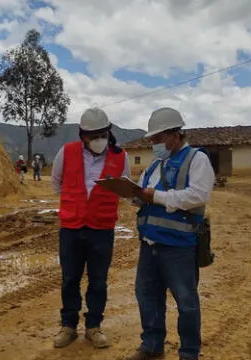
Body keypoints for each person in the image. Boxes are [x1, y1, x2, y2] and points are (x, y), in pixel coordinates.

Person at [125, 107, 215, 360]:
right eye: (152, 140)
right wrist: (134, 196)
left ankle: (189, 353)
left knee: (186, 302)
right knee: (147, 296)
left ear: (175, 134)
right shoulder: (154, 166)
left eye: (158, 139)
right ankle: (152, 345)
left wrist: (157, 196)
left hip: (179, 247)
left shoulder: (197, 159)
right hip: (149, 243)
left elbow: (198, 195)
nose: (154, 145)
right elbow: (143, 193)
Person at [51, 107, 131, 349]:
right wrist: (76, 204)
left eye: (101, 134)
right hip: (72, 228)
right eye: (92, 135)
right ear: (82, 135)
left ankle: (93, 327)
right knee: (70, 279)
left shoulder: (121, 157)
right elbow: (57, 183)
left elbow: (124, 187)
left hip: (102, 229)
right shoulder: (66, 153)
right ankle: (69, 326)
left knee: (98, 281)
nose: (97, 140)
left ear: (108, 132)